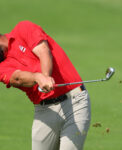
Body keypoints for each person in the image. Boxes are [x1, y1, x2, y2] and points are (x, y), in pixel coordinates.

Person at [0, 21, 91, 150]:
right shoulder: (0, 67)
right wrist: (37, 77)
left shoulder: (23, 28)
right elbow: (17, 78)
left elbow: (43, 51)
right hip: (44, 111)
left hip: (75, 102)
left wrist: (45, 76)